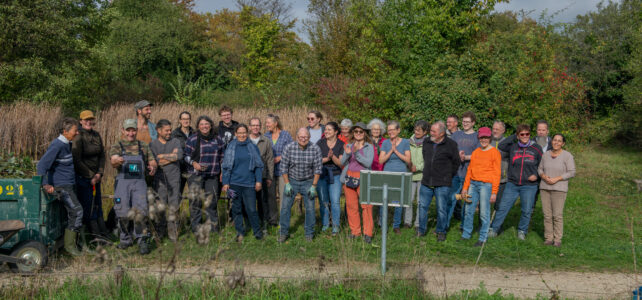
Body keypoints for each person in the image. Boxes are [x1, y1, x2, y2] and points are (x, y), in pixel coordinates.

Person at [109, 119, 157, 254]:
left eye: (133, 130)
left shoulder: (143, 146)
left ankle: (142, 240)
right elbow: (113, 161)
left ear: (136, 131)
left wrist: (153, 166)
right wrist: (116, 161)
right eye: (128, 130)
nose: (131, 133)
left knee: (140, 212)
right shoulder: (117, 146)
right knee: (122, 212)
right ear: (123, 131)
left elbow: (152, 160)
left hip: (139, 184)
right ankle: (125, 239)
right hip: (123, 184)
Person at [488, 124, 543, 240]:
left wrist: (537, 175)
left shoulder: (537, 148)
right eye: (522, 134)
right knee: (503, 207)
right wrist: (514, 135)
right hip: (512, 184)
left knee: (526, 210)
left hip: (529, 186)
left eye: (527, 134)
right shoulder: (513, 147)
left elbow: (543, 165)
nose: (525, 136)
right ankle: (494, 228)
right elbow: (502, 146)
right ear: (518, 135)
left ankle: (522, 231)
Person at [37, 118, 83, 256]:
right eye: (75, 131)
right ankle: (70, 247)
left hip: (69, 184)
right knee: (77, 211)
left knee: (71, 213)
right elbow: (41, 166)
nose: (77, 133)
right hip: (62, 187)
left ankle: (74, 243)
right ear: (65, 131)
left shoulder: (67, 144)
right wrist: (45, 184)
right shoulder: (57, 145)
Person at [417, 121, 460, 241]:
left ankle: (441, 231)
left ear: (441, 133)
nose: (430, 133)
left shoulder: (451, 144)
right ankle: (421, 230)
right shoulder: (426, 142)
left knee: (441, 208)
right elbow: (426, 157)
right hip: (426, 181)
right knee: (422, 207)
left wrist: (447, 176)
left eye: (433, 131)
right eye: (431, 130)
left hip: (443, 183)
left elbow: (456, 162)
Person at [278, 128, 323, 243]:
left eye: (306, 137)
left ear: (309, 137)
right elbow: (283, 167)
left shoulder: (315, 149)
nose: (303, 139)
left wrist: (314, 186)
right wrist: (287, 184)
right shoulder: (289, 148)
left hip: (308, 181)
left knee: (310, 208)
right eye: (301, 137)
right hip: (292, 180)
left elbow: (318, 169)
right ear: (297, 137)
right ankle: (283, 233)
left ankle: (309, 233)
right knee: (285, 207)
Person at [222, 124, 265, 242]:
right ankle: (239, 232)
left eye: (244, 132)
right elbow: (225, 167)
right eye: (239, 133)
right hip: (233, 184)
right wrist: (225, 183)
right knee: (236, 209)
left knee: (251, 209)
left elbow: (258, 166)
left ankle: (258, 233)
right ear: (235, 134)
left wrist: (258, 181)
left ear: (247, 133)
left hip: (249, 184)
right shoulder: (230, 147)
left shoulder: (252, 147)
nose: (242, 135)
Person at [460, 127, 501, 247]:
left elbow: (496, 173)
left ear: (490, 138)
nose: (484, 140)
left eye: (486, 137)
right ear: (479, 138)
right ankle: (466, 235)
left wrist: (494, 192)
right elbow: (469, 171)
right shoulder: (476, 152)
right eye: (481, 137)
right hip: (472, 184)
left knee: (484, 212)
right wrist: (465, 187)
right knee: (468, 210)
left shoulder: (495, 152)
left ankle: (482, 238)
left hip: (486, 185)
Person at [71, 110, 109, 241]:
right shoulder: (78, 136)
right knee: (89, 206)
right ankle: (95, 237)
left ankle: (104, 234)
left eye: (90, 119)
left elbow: (102, 155)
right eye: (85, 120)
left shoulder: (96, 135)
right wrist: (91, 176)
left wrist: (99, 173)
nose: (88, 122)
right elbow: (77, 160)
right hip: (84, 178)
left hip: (96, 178)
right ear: (80, 121)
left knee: (98, 204)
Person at [184, 116, 225, 235]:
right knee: (195, 201)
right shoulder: (192, 139)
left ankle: (212, 225)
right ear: (198, 126)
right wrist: (194, 163)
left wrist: (222, 172)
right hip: (195, 174)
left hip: (212, 175)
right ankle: (196, 227)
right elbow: (186, 155)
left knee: (211, 201)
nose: (204, 126)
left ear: (211, 125)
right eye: (201, 124)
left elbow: (222, 157)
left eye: (207, 124)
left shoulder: (217, 139)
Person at [538, 134, 575, 247]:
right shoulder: (545, 155)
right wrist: (544, 176)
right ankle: (549, 238)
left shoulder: (567, 156)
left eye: (559, 141)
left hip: (559, 189)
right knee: (547, 215)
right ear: (551, 141)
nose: (556, 142)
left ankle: (557, 239)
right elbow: (539, 169)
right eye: (555, 140)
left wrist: (557, 179)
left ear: (563, 143)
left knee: (557, 215)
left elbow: (572, 172)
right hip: (545, 188)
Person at [150, 119, 183, 242]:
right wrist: (170, 157)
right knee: (160, 207)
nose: (170, 132)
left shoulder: (175, 141)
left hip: (174, 179)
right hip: (159, 181)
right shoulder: (153, 145)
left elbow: (178, 156)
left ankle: (173, 232)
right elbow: (154, 162)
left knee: (174, 206)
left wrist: (161, 157)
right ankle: (160, 231)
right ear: (158, 130)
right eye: (167, 130)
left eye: (170, 130)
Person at [341, 122, 374, 243]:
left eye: (361, 131)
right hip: (349, 176)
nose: (358, 134)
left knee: (366, 206)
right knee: (351, 206)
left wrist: (355, 153)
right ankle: (355, 231)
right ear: (353, 133)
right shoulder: (349, 145)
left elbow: (368, 163)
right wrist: (348, 153)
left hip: (364, 177)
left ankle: (368, 233)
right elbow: (343, 162)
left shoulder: (369, 147)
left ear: (365, 133)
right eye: (356, 131)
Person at [448, 111, 480, 227]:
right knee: (452, 199)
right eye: (463, 121)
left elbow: (478, 155)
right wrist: (457, 155)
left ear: (473, 123)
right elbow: (449, 149)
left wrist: (465, 157)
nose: (465, 124)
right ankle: (445, 225)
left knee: (466, 200)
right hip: (455, 173)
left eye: (467, 122)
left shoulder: (477, 137)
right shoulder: (456, 135)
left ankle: (463, 225)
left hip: (469, 175)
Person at [379, 120, 411, 234]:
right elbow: (381, 160)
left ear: (398, 130)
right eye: (389, 130)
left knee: (398, 201)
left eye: (393, 130)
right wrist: (390, 151)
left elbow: (408, 160)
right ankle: (383, 224)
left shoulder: (405, 142)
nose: (391, 132)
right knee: (385, 200)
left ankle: (396, 225)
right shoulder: (385, 143)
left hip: (400, 175)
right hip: (387, 174)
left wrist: (396, 151)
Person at [316, 121, 344, 235]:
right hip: (322, 174)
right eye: (325, 129)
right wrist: (327, 159)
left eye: (329, 130)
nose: (326, 131)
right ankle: (325, 224)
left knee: (335, 201)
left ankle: (336, 226)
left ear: (336, 132)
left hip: (336, 175)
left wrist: (333, 157)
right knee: (323, 201)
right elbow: (316, 160)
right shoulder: (320, 143)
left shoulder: (341, 144)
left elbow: (341, 163)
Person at [264, 113, 293, 219]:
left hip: (283, 171)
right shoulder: (265, 136)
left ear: (275, 123)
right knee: (271, 196)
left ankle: (284, 220)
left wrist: (280, 158)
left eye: (268, 123)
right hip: (270, 171)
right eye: (266, 123)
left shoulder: (286, 135)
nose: (266, 125)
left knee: (283, 196)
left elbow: (291, 150)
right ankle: (273, 219)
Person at [248, 117, 275, 231]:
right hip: (247, 177)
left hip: (262, 176)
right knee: (249, 202)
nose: (255, 127)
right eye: (253, 125)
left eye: (257, 125)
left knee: (262, 201)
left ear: (260, 127)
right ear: (249, 127)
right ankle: (250, 224)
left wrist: (269, 177)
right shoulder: (244, 140)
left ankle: (263, 224)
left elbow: (270, 159)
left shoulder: (266, 141)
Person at [408, 120, 428, 229]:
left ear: (425, 132)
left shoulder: (428, 142)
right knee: (409, 199)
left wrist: (418, 168)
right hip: (410, 175)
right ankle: (407, 221)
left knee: (421, 201)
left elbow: (428, 159)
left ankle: (418, 223)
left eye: (419, 130)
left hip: (422, 176)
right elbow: (407, 155)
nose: (416, 132)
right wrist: (409, 165)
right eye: (415, 129)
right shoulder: (409, 141)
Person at [171, 111, 195, 194]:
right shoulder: (174, 134)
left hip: (192, 168)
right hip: (179, 168)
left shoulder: (195, 133)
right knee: (177, 194)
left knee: (194, 194)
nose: (186, 121)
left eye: (188, 119)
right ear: (180, 120)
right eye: (183, 119)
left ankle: (194, 207)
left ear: (190, 120)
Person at [491, 120, 508, 210]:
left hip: (502, 179)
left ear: (503, 130)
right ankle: (482, 224)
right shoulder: (487, 141)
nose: (495, 131)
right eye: (493, 129)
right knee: (484, 204)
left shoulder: (507, 143)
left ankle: (497, 224)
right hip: (488, 178)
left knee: (499, 204)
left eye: (497, 129)